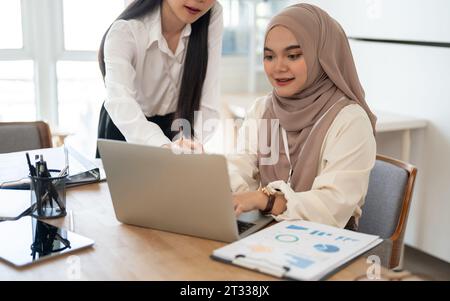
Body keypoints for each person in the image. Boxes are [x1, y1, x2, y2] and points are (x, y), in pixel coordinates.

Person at [228, 3, 377, 230]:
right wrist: (225, 187)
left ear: (322, 56)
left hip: (327, 243)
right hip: (270, 233)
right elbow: (240, 167)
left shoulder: (350, 120)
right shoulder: (263, 109)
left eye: (293, 55)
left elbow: (331, 206)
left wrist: (266, 200)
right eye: (269, 56)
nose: (278, 67)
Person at [96, 0, 223, 157]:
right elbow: (121, 102)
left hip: (176, 128)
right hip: (126, 126)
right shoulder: (125, 31)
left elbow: (208, 102)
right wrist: (162, 146)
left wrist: (186, 144)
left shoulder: (211, 14)